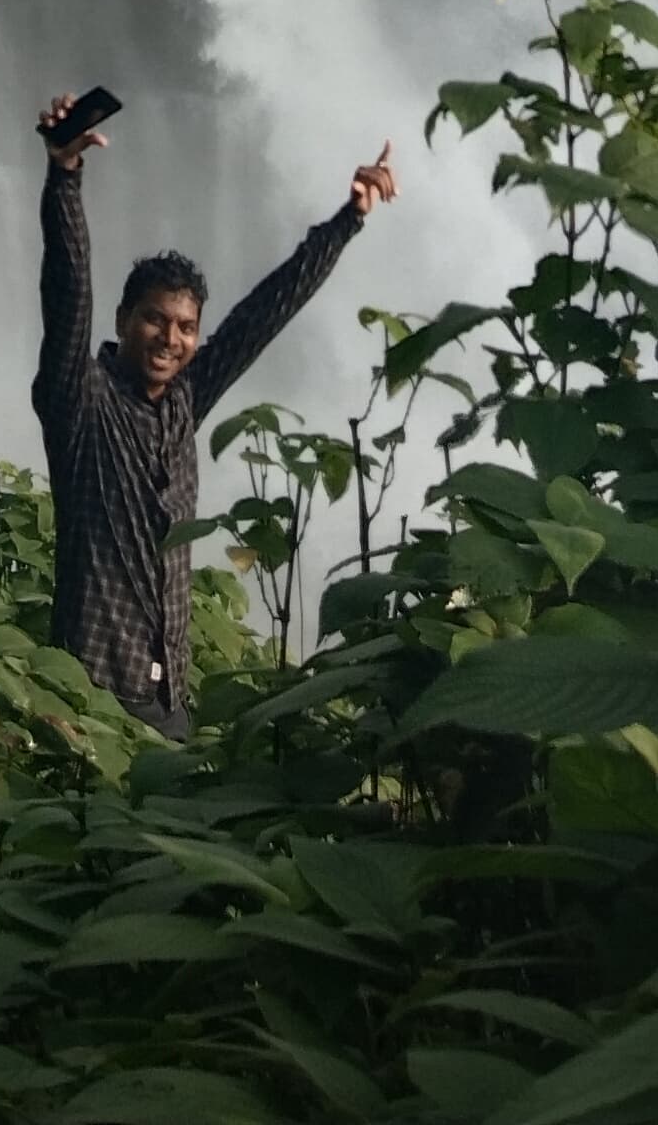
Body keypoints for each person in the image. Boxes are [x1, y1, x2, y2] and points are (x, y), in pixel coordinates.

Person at [29, 88, 397, 739]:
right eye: (154, 320)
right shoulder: (78, 399)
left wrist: (350, 218)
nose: (171, 339)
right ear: (123, 321)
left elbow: (262, 314)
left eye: (185, 327)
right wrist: (65, 177)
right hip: (87, 703)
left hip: (171, 704)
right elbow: (67, 294)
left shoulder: (185, 402)